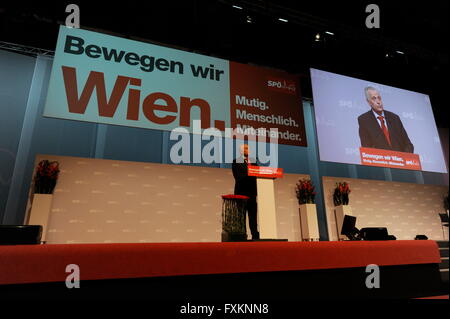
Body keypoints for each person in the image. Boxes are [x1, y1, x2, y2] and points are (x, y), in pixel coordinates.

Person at [358, 86, 414, 153]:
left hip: (400, 161)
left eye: (379, 98)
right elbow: (366, 148)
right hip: (380, 161)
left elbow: (408, 144)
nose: (378, 102)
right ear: (369, 102)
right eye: (374, 98)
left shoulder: (395, 118)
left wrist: (403, 159)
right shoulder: (364, 120)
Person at [232, 144, 260, 240]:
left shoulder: (253, 161)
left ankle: (255, 235)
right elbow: (238, 176)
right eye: (246, 148)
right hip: (241, 193)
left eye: (248, 148)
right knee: (241, 216)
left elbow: (258, 173)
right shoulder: (236, 161)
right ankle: (242, 236)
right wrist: (251, 173)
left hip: (252, 193)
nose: (248, 150)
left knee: (253, 216)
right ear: (241, 151)